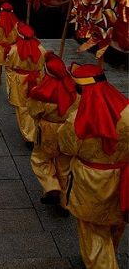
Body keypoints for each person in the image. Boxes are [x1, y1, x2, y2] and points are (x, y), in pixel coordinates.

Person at [58, 63, 128, 269]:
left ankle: (103, 263)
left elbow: (66, 147)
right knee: (115, 225)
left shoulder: (77, 119)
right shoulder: (127, 112)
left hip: (91, 180)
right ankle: (109, 256)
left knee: (93, 231)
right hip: (123, 177)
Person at [27, 51, 79, 215]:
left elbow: (34, 112)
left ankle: (51, 186)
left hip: (48, 130)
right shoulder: (75, 92)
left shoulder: (41, 93)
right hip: (68, 131)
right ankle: (64, 203)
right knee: (64, 165)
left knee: (40, 158)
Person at [4, 23, 46, 146]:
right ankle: (33, 131)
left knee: (22, 107)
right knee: (35, 105)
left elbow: (9, 65)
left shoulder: (14, 50)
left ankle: (28, 135)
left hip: (20, 80)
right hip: (37, 79)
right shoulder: (41, 49)